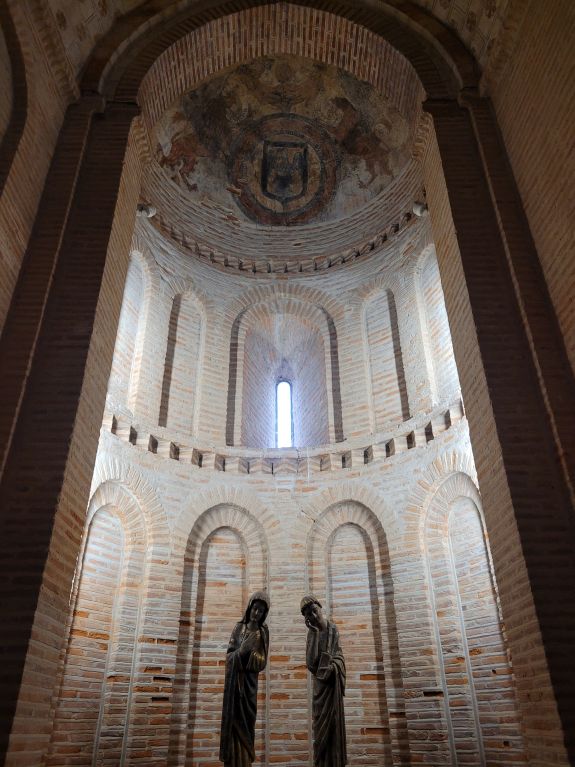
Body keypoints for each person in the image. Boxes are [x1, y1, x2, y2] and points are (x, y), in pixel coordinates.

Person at [219, 591, 270, 766]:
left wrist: (252, 655)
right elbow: (229, 657)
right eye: (255, 608)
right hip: (235, 688)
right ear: (249, 608)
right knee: (234, 724)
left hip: (249, 688)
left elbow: (263, 661)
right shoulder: (239, 628)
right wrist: (241, 651)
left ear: (264, 614)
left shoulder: (263, 632)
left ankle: (245, 760)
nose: (257, 613)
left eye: (261, 611)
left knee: (248, 724)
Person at [301, 594, 347, 767]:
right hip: (319, 689)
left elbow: (339, 656)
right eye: (309, 615)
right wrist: (314, 633)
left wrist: (333, 667)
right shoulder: (312, 634)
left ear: (320, 608)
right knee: (320, 731)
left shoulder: (333, 629)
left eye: (315, 611)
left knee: (334, 728)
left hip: (332, 687)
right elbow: (311, 664)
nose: (314, 616)